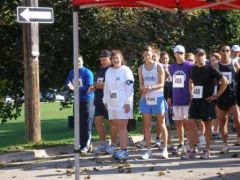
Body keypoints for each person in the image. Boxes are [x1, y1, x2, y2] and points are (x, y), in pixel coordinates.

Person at [183, 48, 228, 159]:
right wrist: (191, 93)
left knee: (207, 125)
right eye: (198, 55)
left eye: (202, 55)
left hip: (207, 101)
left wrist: (216, 95)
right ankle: (193, 149)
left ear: (205, 56)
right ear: (196, 57)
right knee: (190, 123)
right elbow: (191, 82)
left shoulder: (210, 68)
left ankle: (207, 150)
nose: (200, 57)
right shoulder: (193, 69)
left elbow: (225, 81)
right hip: (196, 100)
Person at [103, 50, 134, 160]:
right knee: (115, 125)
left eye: (118, 58)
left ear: (121, 59)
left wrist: (127, 102)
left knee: (122, 126)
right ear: (111, 60)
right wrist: (105, 100)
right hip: (112, 103)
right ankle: (119, 148)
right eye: (114, 58)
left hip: (123, 103)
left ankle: (124, 150)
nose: (116, 60)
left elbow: (130, 88)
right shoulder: (108, 71)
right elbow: (106, 87)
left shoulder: (126, 70)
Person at [138, 45, 168, 159]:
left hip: (158, 97)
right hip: (146, 99)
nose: (147, 57)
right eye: (145, 55)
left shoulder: (159, 66)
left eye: (149, 55)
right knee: (147, 125)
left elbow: (162, 83)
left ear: (152, 55)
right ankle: (148, 150)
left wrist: (150, 88)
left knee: (162, 123)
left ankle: (164, 149)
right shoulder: (141, 68)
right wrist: (143, 88)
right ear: (143, 56)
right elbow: (141, 83)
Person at [88, 50, 118, 155]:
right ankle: (103, 144)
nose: (102, 63)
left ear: (110, 59)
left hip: (110, 100)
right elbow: (99, 83)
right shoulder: (100, 69)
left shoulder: (113, 69)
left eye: (104, 60)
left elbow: (110, 84)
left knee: (111, 123)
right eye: (101, 61)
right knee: (98, 122)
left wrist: (98, 85)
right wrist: (94, 87)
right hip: (99, 99)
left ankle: (113, 144)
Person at [169, 45, 195, 156]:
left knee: (189, 124)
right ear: (174, 54)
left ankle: (192, 146)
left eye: (181, 52)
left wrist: (192, 97)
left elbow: (193, 82)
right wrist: (170, 97)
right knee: (178, 123)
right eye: (177, 53)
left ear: (184, 53)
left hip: (187, 99)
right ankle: (181, 144)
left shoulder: (190, 66)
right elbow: (170, 84)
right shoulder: (171, 67)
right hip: (176, 99)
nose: (179, 55)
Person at [65, 55, 94, 154]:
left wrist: (75, 88)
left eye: (79, 61)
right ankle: (80, 144)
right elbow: (68, 83)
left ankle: (87, 145)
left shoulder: (87, 72)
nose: (77, 63)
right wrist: (69, 86)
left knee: (86, 123)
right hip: (77, 100)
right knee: (78, 123)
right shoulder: (72, 72)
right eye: (75, 61)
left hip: (87, 100)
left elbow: (88, 86)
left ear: (82, 61)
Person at [217, 45, 240, 153]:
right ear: (220, 52)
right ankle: (225, 144)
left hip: (233, 96)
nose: (225, 52)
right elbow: (211, 81)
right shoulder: (216, 65)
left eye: (227, 50)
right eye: (223, 50)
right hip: (221, 97)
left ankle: (238, 139)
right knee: (223, 121)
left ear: (230, 52)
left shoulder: (234, 63)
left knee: (238, 120)